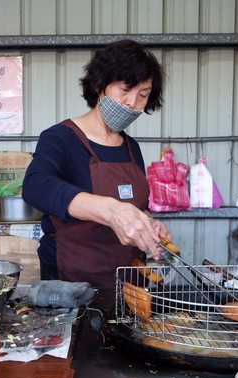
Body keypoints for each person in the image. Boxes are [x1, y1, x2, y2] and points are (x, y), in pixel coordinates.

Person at [22, 39, 172, 288]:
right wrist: (109, 210)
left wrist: (148, 224)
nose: (132, 102)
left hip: (129, 284)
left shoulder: (130, 147)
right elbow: (36, 185)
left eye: (142, 95)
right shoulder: (61, 138)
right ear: (100, 84)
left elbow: (137, 207)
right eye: (125, 89)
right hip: (72, 284)